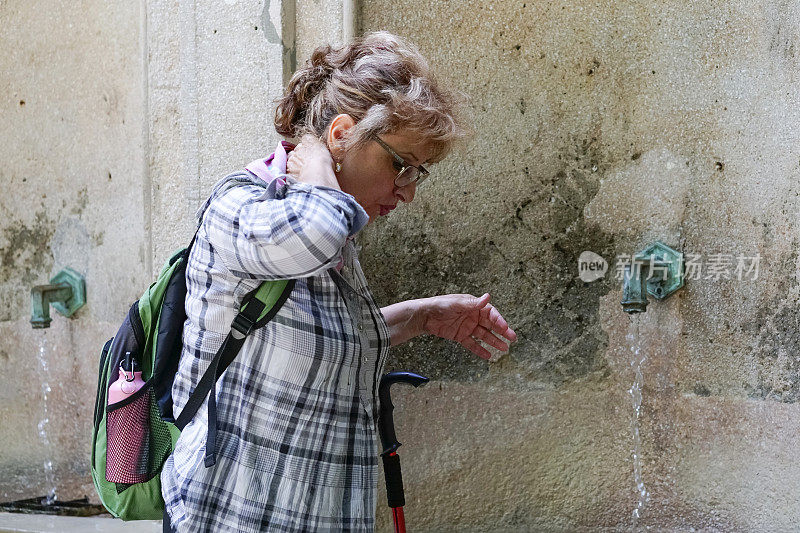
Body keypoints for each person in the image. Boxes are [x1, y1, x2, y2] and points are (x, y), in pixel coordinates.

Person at [160, 31, 517, 532]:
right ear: (342, 134)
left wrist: (424, 315)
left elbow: (326, 341)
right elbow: (320, 232)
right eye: (400, 165)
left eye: (419, 173)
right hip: (232, 516)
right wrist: (322, 169)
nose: (407, 192)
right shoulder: (247, 209)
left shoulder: (329, 228)